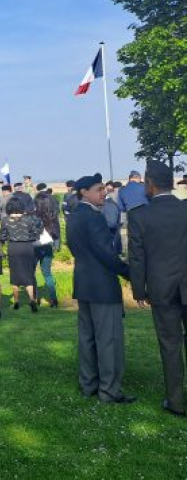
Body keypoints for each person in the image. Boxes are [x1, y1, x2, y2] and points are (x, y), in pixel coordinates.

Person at [67, 172, 134, 404]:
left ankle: (89, 384)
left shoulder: (74, 215)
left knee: (87, 338)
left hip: (84, 283)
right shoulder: (93, 217)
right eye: (98, 189)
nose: (103, 192)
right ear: (84, 192)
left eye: (103, 188)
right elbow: (106, 254)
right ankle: (109, 390)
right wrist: (129, 272)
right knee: (108, 340)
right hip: (102, 286)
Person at [128, 160, 187, 417]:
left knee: (170, 345)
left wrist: (139, 290)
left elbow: (137, 257)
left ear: (150, 184)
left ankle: (176, 402)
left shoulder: (139, 215)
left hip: (162, 290)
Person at [0, 197, 43, 312]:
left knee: (14, 275)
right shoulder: (28, 219)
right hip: (27, 247)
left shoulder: (5, 220)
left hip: (13, 248)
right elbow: (36, 234)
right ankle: (32, 300)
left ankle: (16, 302)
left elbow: (3, 236)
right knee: (29, 274)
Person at [34, 184, 60, 308]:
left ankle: (35, 299)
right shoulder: (51, 216)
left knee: (32, 273)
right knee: (47, 273)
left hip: (35, 246)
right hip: (47, 245)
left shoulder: (33, 216)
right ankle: (54, 299)